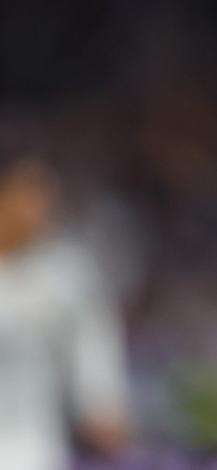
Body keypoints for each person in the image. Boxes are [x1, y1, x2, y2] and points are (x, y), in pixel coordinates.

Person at [0, 154, 132, 470]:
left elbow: (95, 351)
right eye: (25, 198)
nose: (36, 212)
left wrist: (103, 405)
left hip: (32, 448)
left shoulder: (66, 277)